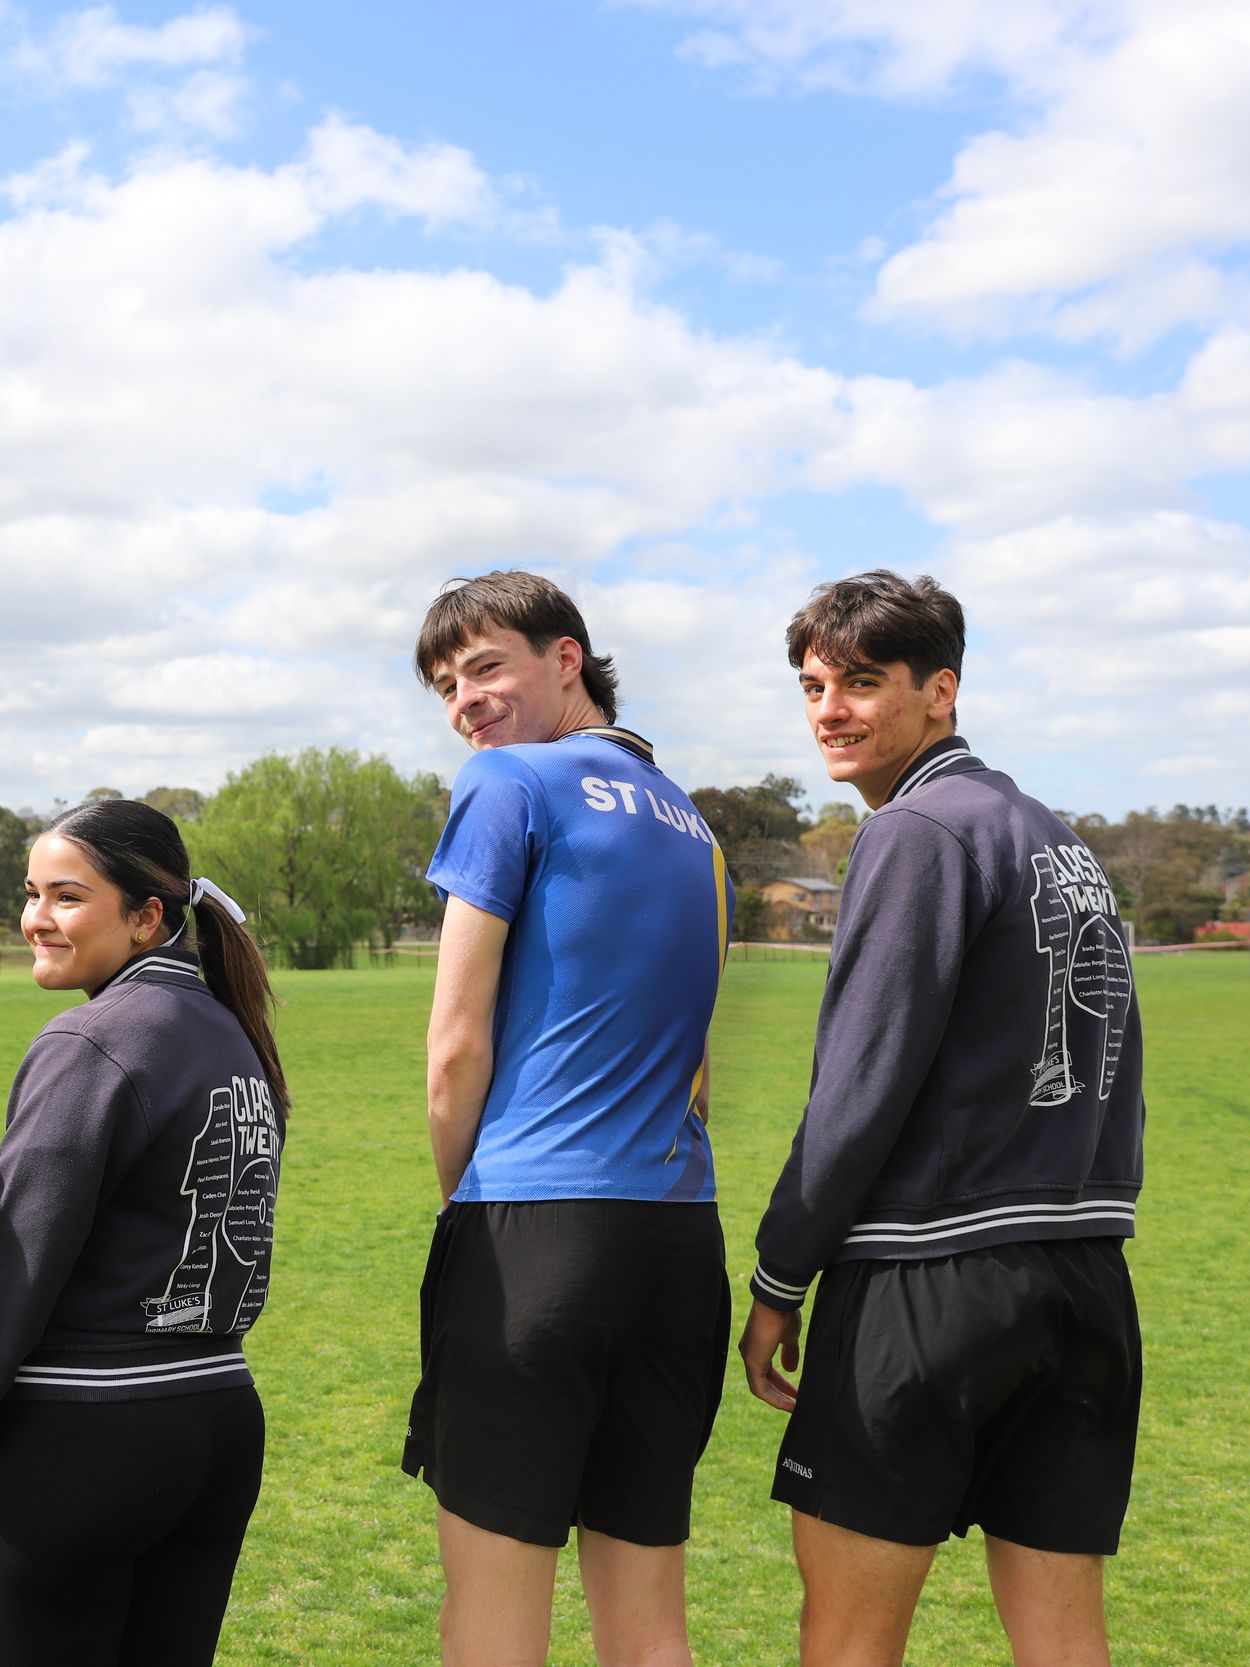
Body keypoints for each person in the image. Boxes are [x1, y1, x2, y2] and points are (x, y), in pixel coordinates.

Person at [738, 571, 1145, 1667]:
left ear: (941, 690)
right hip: (1086, 1286)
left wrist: (779, 1277)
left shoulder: (916, 828)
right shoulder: (1058, 838)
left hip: (930, 1281)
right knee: (1065, 1640)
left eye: (863, 682)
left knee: (848, 1641)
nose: (830, 709)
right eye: (813, 685)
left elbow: (857, 1087)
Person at [406, 570, 734, 1667]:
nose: (466, 701)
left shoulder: (507, 781)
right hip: (678, 1245)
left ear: (566, 658)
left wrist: (464, 1202)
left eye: (485, 666)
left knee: (491, 1626)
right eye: (446, 686)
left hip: (534, 1229)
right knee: (649, 1631)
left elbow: (456, 1045)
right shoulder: (694, 823)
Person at [0, 798, 287, 1667]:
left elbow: (11, 1269)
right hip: (217, 1422)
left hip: (85, 1436)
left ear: (147, 916)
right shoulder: (234, 1033)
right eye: (31, 893)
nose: (37, 918)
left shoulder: (93, 1039)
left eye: (67, 896)